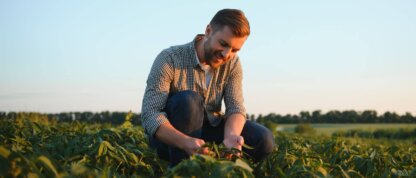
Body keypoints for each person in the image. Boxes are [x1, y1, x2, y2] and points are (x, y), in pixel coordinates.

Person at [141, 9, 274, 166]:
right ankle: (183, 169)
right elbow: (150, 114)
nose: (226, 54)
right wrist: (184, 141)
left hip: (210, 128)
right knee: (189, 101)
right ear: (208, 31)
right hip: (173, 136)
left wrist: (231, 136)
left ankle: (220, 166)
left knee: (263, 139)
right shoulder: (170, 58)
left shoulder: (233, 63)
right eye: (223, 44)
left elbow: (236, 107)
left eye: (235, 50)